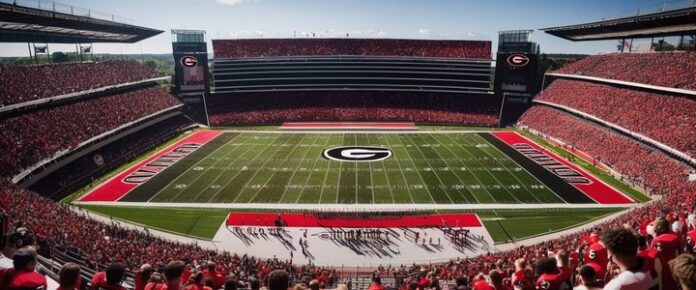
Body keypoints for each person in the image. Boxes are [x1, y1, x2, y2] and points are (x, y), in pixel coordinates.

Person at [651, 217, 682, 290]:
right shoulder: (675, 236)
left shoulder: (655, 240)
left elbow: (653, 258)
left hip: (662, 270)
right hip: (674, 268)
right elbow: (681, 253)